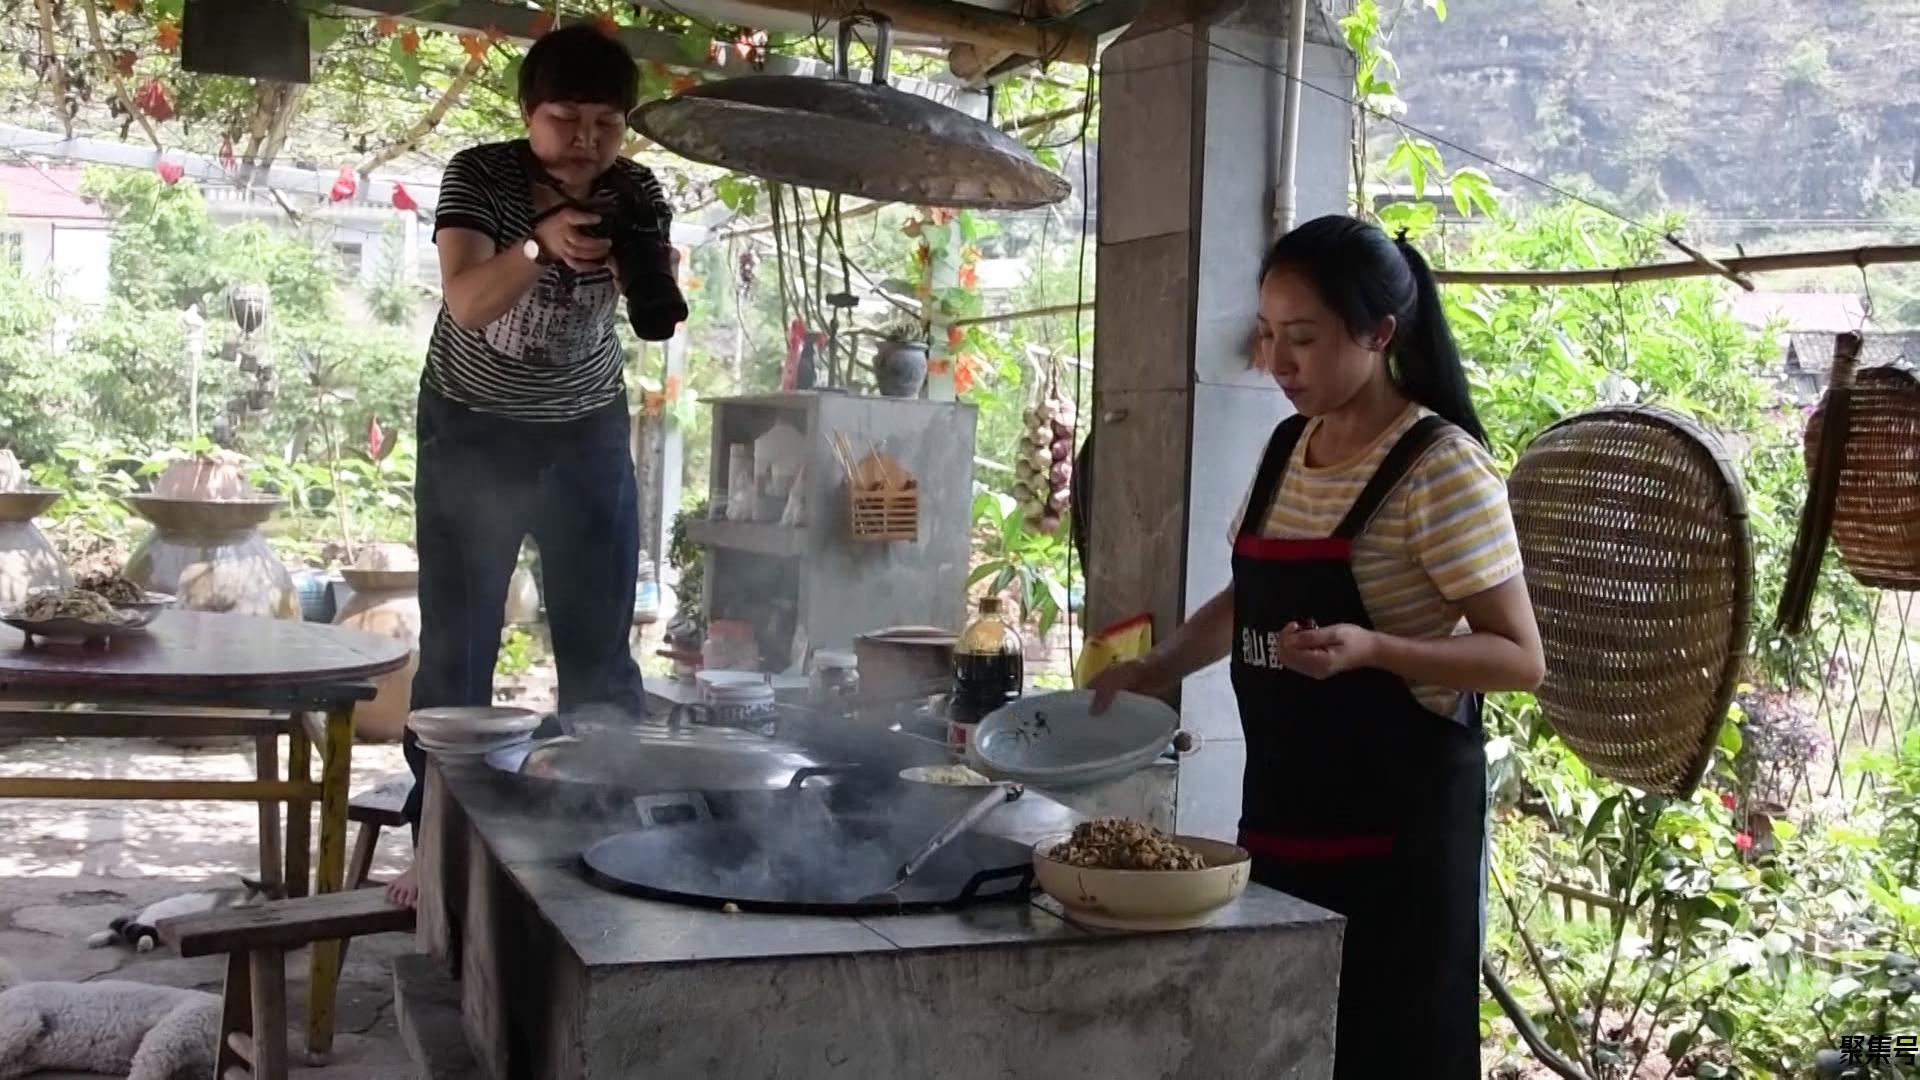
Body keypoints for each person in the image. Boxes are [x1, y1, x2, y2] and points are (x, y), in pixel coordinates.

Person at [1090, 215, 1545, 1077]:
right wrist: (1158, 667)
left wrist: (1374, 649)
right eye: (1266, 336)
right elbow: (1247, 598)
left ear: (1379, 334)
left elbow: (1519, 658)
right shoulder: (1287, 449)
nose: (1277, 362)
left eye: (1301, 338)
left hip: (1399, 858)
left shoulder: (1439, 468)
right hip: (1284, 834)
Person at [387, 24, 677, 907]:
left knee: (599, 653)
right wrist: (540, 243)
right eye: (566, 120)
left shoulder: (636, 187)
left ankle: (604, 834)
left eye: (606, 123)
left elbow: (656, 310)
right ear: (526, 115)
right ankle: (433, 842)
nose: (587, 141)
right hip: (472, 426)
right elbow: (469, 301)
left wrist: (643, 264)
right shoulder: (481, 175)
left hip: (583, 428)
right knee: (459, 648)